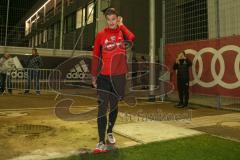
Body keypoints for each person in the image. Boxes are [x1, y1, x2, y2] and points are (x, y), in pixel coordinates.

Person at [91, 8, 135, 153]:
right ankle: (100, 142)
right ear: (106, 19)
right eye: (108, 19)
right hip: (103, 77)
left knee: (114, 107)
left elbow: (132, 37)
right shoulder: (100, 35)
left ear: (118, 19)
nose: (111, 22)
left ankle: (110, 131)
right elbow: (96, 56)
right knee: (102, 109)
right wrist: (93, 75)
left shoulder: (122, 32)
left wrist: (122, 26)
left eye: (113, 19)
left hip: (119, 77)